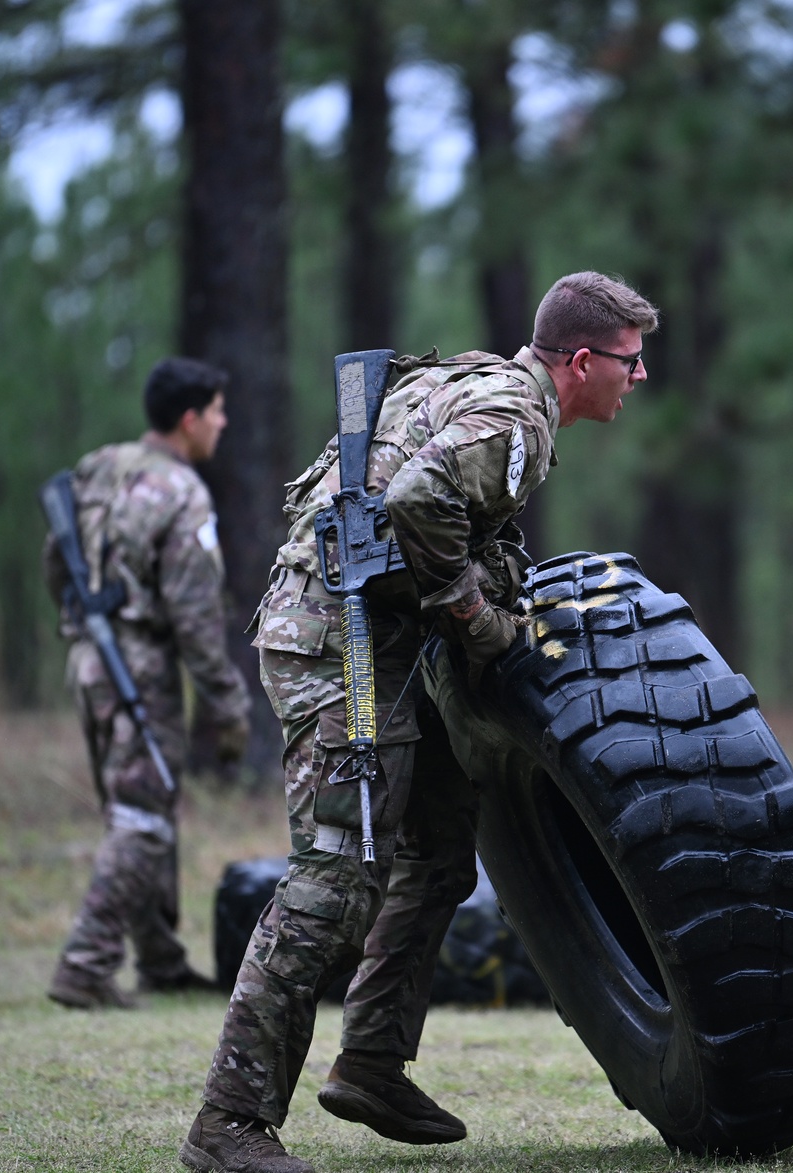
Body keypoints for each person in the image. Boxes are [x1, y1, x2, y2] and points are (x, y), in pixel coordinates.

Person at [179, 271, 659, 1173]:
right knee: (337, 873)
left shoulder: (480, 383)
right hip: (341, 647)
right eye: (631, 362)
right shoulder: (513, 418)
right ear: (584, 360)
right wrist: (474, 616)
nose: (639, 379)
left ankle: (369, 1064)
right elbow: (418, 503)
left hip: (375, 636)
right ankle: (229, 1122)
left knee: (440, 843)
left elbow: (421, 503)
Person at [44, 357, 251, 1010]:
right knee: (143, 818)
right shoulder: (182, 493)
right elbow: (195, 614)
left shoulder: (98, 466)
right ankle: (85, 963)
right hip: (138, 662)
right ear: (189, 419)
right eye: (217, 411)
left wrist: (81, 622)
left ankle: (159, 960)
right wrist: (228, 703)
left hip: (88, 656)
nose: (223, 422)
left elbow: (58, 556)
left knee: (135, 806)